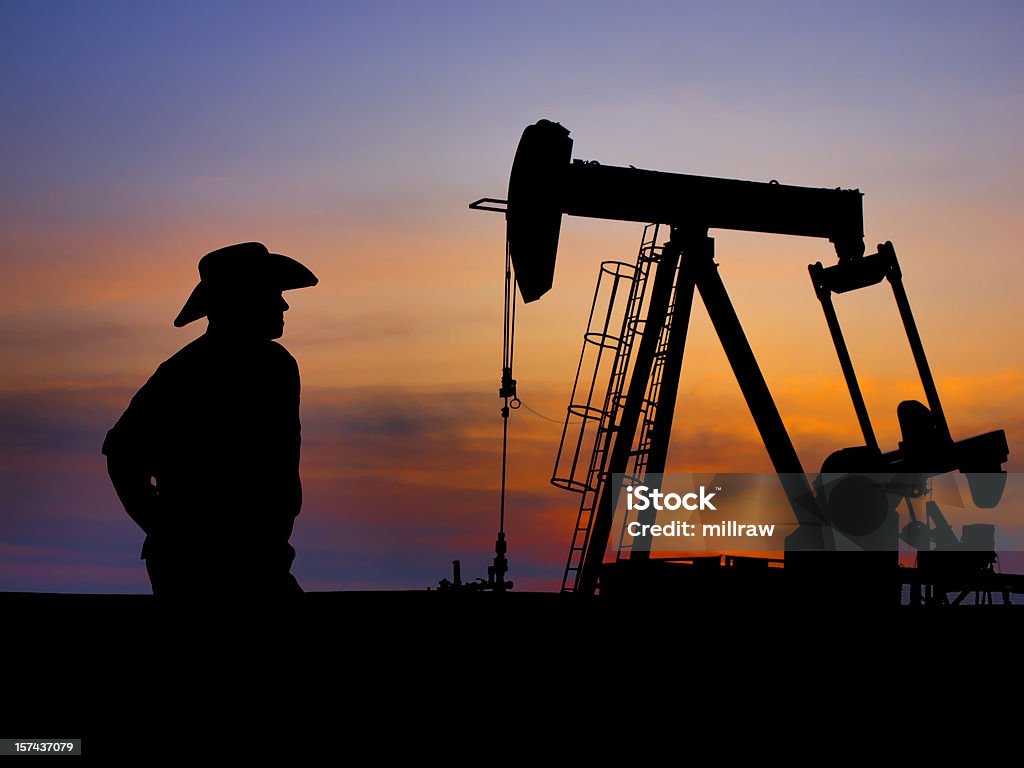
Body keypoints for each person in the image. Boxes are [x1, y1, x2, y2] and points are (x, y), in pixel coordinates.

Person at [102, 242, 318, 595]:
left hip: (262, 559)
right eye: (271, 293)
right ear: (242, 299)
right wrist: (167, 528)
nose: (283, 303)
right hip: (198, 569)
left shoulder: (277, 367)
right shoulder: (184, 373)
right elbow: (122, 451)